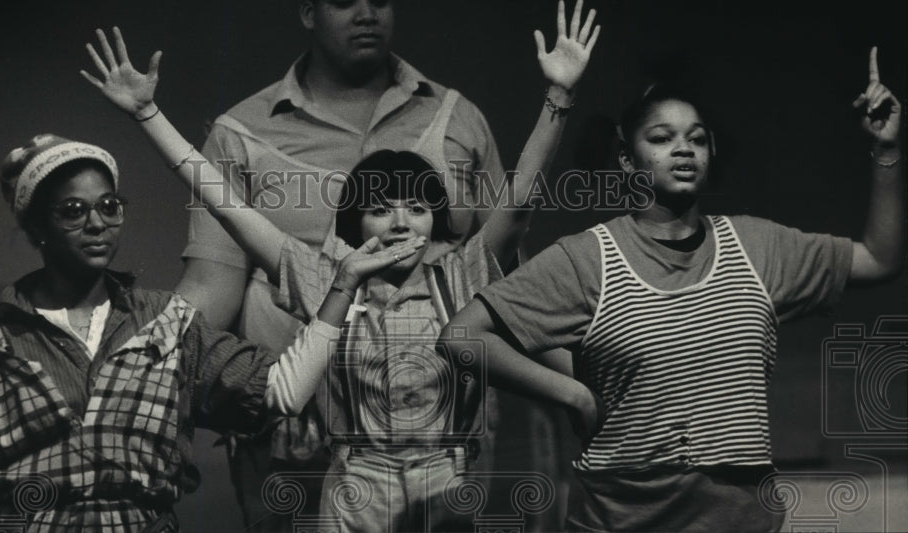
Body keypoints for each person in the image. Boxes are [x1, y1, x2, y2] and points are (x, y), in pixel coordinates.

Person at [80, 2, 600, 528]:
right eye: (380, 209)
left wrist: (559, 96)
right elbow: (227, 206)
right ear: (354, 224)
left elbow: (518, 209)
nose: (400, 223)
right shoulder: (326, 282)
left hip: (447, 475)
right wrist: (149, 115)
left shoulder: (463, 273)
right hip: (350, 479)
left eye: (417, 209)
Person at [440, 47, 904, 532]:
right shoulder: (588, 258)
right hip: (621, 519)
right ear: (626, 159)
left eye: (697, 139)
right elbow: (460, 338)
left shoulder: (760, 247)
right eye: (662, 138)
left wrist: (887, 149)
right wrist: (572, 395)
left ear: (711, 154)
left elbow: (880, 259)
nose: (683, 149)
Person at [0, 133, 399, 532]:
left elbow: (281, 392)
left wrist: (343, 287)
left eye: (109, 206)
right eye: (72, 211)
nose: (97, 223)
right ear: (38, 225)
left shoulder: (167, 323)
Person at [176, 1, 514, 522]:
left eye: (379, 0)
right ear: (308, 12)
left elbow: (506, 268)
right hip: (290, 419)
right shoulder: (241, 131)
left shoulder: (458, 117)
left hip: (440, 430)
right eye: (344, 1)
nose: (366, 13)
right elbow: (210, 284)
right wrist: (145, 368)